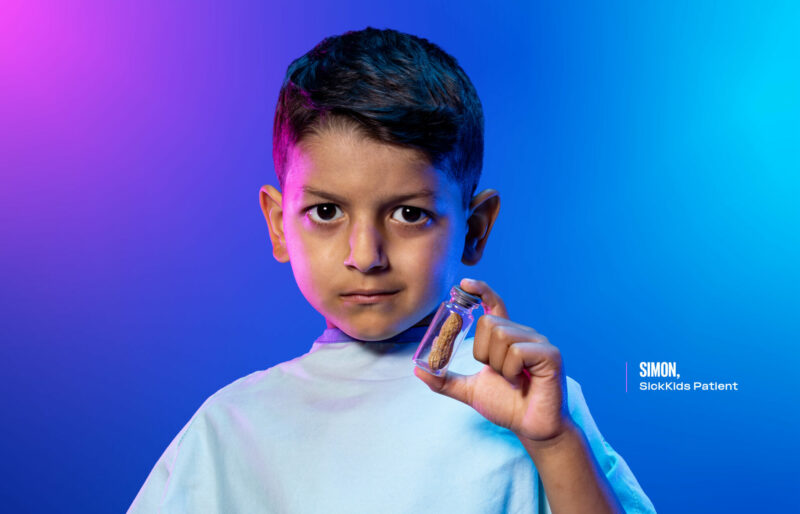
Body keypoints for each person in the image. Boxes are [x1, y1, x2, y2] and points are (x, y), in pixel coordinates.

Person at [128, 27, 655, 513]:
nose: (365, 254)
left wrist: (553, 442)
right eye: (327, 212)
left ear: (473, 229)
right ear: (278, 225)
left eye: (410, 214)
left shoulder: (534, 402)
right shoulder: (228, 428)